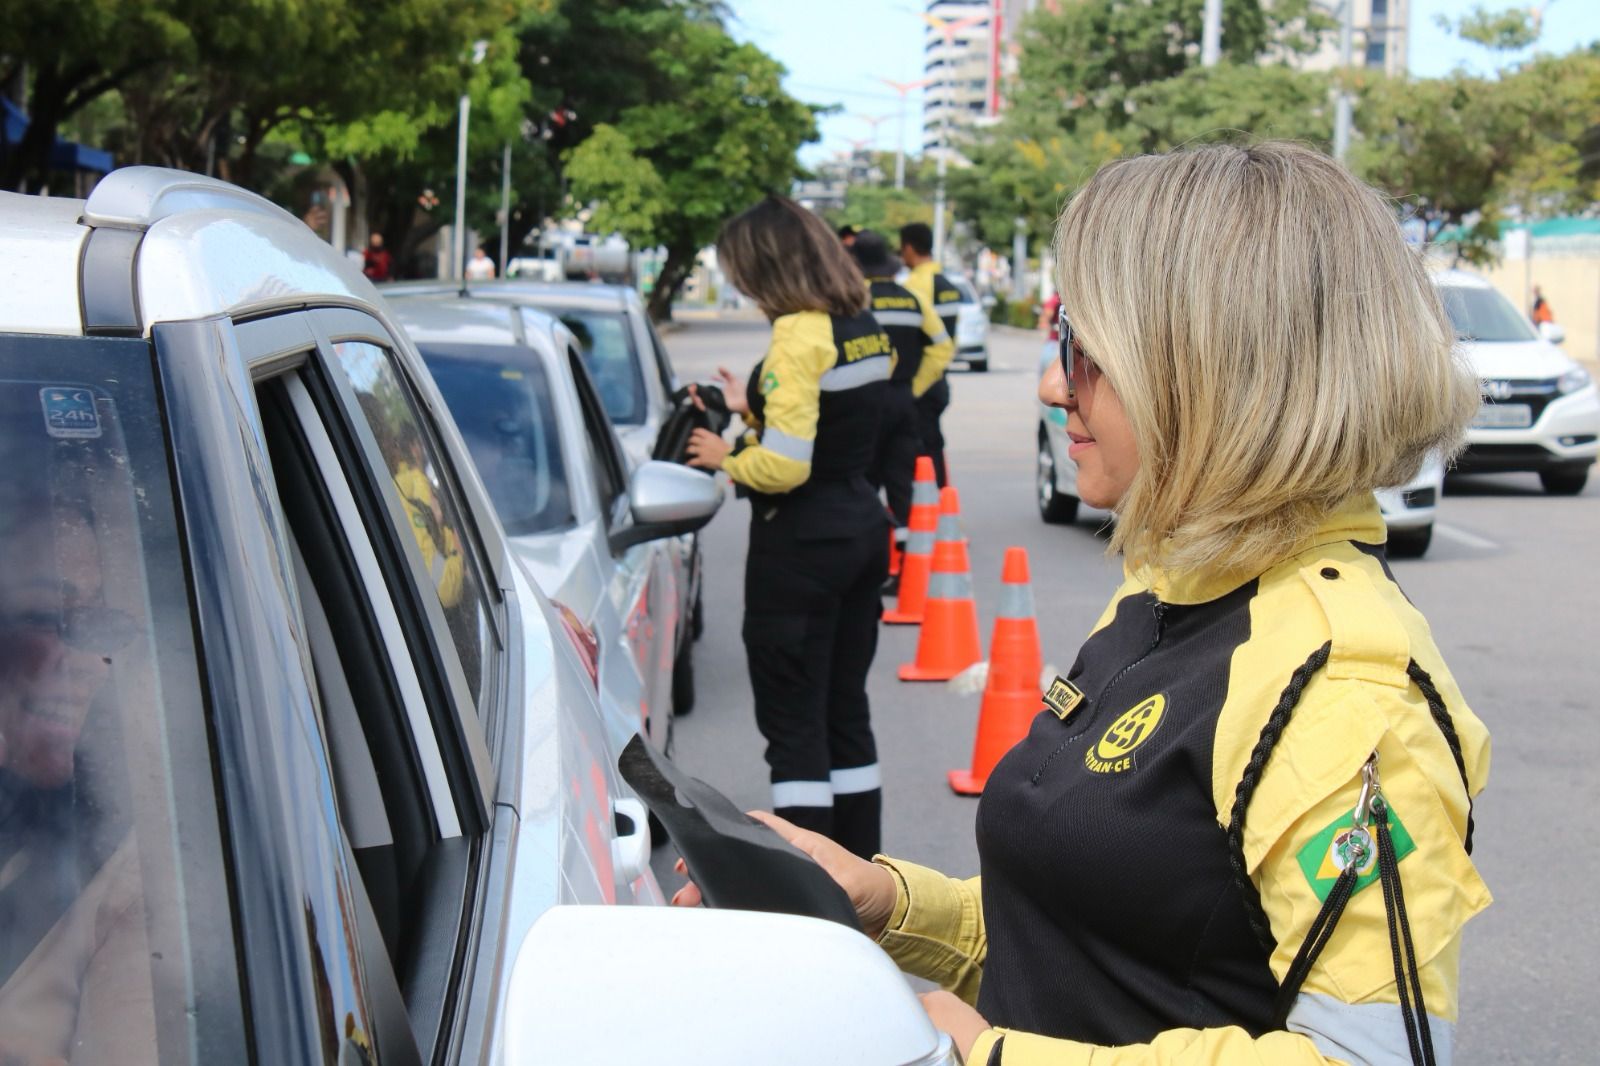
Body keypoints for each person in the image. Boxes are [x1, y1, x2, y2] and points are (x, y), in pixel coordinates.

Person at [678, 143, 1491, 1065]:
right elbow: (1093, 944)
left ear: (1215, 374)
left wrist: (975, 1058)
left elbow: (1368, 1058)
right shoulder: (1171, 593)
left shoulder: (1341, 684)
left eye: (1086, 352)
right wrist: (885, 902)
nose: (1056, 383)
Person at [685, 195, 893, 858]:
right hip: (862, 527)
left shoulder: (798, 334)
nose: (742, 287)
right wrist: (758, 404)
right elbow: (839, 417)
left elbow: (787, 465)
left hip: (801, 547)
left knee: (793, 726)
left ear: (767, 267)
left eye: (743, 273)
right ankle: (863, 874)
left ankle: (816, 895)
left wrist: (728, 455)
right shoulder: (862, 320)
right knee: (845, 712)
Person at [849, 229, 952, 555]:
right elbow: (942, 347)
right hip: (904, 402)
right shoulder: (912, 299)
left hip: (865, 405)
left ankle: (865, 554)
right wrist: (913, 387)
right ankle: (909, 562)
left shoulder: (854, 301)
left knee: (860, 483)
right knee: (900, 481)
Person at [898, 222, 958, 487]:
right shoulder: (946, 283)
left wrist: (912, 388)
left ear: (909, 248)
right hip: (939, 380)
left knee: (918, 449)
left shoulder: (915, 286)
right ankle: (939, 504)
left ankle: (925, 510)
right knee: (933, 444)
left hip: (921, 382)